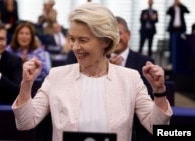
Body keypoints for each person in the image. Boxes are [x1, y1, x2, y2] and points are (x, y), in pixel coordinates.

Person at [12, 3, 173, 141]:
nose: (75, 47)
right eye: (72, 39)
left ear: (105, 41)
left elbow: (156, 127)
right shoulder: (56, 76)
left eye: (83, 40)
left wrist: (159, 92)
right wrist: (26, 85)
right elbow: (25, 122)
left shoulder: (130, 79)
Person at [109, 16, 155, 141]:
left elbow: (147, 99)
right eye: (111, 35)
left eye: (119, 33)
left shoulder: (145, 62)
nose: (116, 39)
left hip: (136, 127)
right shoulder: (98, 62)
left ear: (128, 35)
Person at [166, 0, 190, 66]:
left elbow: (188, 11)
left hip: (181, 29)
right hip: (172, 30)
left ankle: (180, 61)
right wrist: (173, 6)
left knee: (181, 46)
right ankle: (171, 62)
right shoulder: (172, 8)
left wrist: (181, 4)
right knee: (171, 46)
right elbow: (167, 12)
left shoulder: (181, 8)